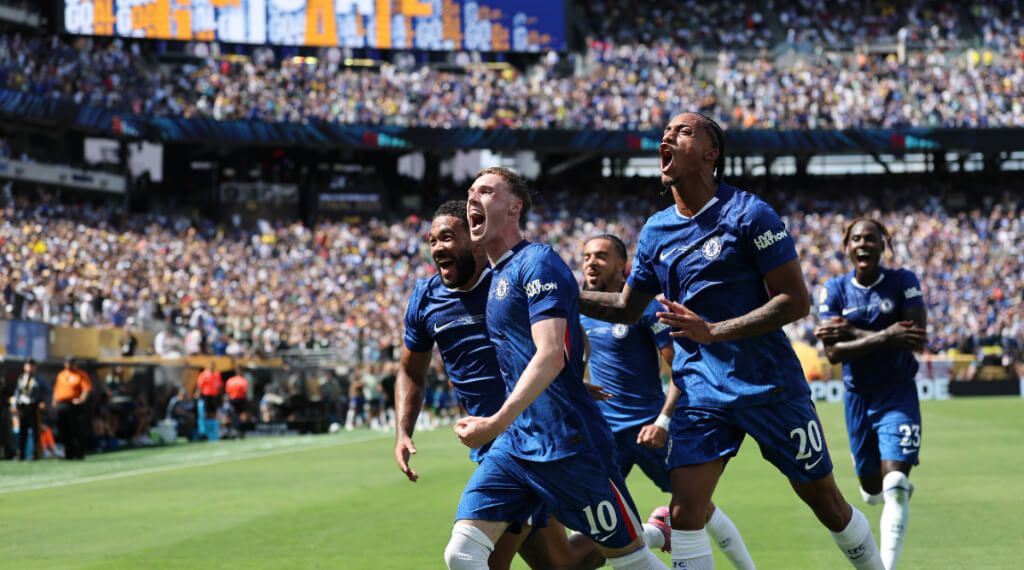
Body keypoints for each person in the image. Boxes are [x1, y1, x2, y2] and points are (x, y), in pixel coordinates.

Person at [578, 113, 883, 569]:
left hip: (769, 385)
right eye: (666, 132)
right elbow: (626, 307)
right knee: (684, 515)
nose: (667, 136)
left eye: (682, 131)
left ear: (710, 152)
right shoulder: (656, 231)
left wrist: (714, 331)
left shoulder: (749, 214)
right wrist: (560, 294)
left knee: (826, 503)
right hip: (701, 391)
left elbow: (795, 301)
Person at [399, 200, 666, 569]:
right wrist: (403, 430)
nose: (438, 247)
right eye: (432, 240)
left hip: (539, 435)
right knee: (560, 564)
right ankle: (651, 531)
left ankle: (642, 535)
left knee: (481, 559)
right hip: (493, 445)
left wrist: (567, 378)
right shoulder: (426, 298)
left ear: (475, 240)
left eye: (447, 237)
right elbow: (410, 369)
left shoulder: (509, 280)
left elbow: (567, 332)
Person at [580, 234, 756, 569]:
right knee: (598, 523)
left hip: (647, 428)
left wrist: (663, 420)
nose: (591, 262)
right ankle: (655, 534)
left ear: (622, 265)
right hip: (603, 434)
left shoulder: (646, 307)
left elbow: (681, 367)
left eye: (601, 256)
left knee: (698, 507)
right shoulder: (580, 311)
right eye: (586, 256)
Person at [814, 218, 927, 570]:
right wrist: (885, 336)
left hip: (898, 394)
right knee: (871, 490)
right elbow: (833, 354)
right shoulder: (833, 289)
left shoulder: (903, 281)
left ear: (884, 244)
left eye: (872, 238)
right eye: (857, 239)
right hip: (857, 397)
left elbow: (916, 336)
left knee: (894, 483)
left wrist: (852, 332)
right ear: (847, 246)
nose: (864, 244)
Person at [53, 357, 93, 460]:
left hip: (74, 405)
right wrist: (54, 401)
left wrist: (81, 399)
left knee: (76, 429)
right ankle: (68, 453)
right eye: (67, 363)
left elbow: (86, 389)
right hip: (62, 404)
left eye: (71, 363)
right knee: (63, 430)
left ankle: (79, 453)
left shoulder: (81, 374)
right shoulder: (61, 375)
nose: (69, 365)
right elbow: (56, 389)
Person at [12, 359, 46, 460]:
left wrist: (43, 402)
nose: (30, 368)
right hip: (23, 407)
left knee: (36, 432)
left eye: (32, 366)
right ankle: (21, 454)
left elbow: (47, 391)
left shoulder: (39, 379)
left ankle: (37, 454)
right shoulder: (22, 378)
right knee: (23, 431)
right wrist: (16, 403)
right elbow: (17, 392)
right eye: (28, 365)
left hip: (34, 407)